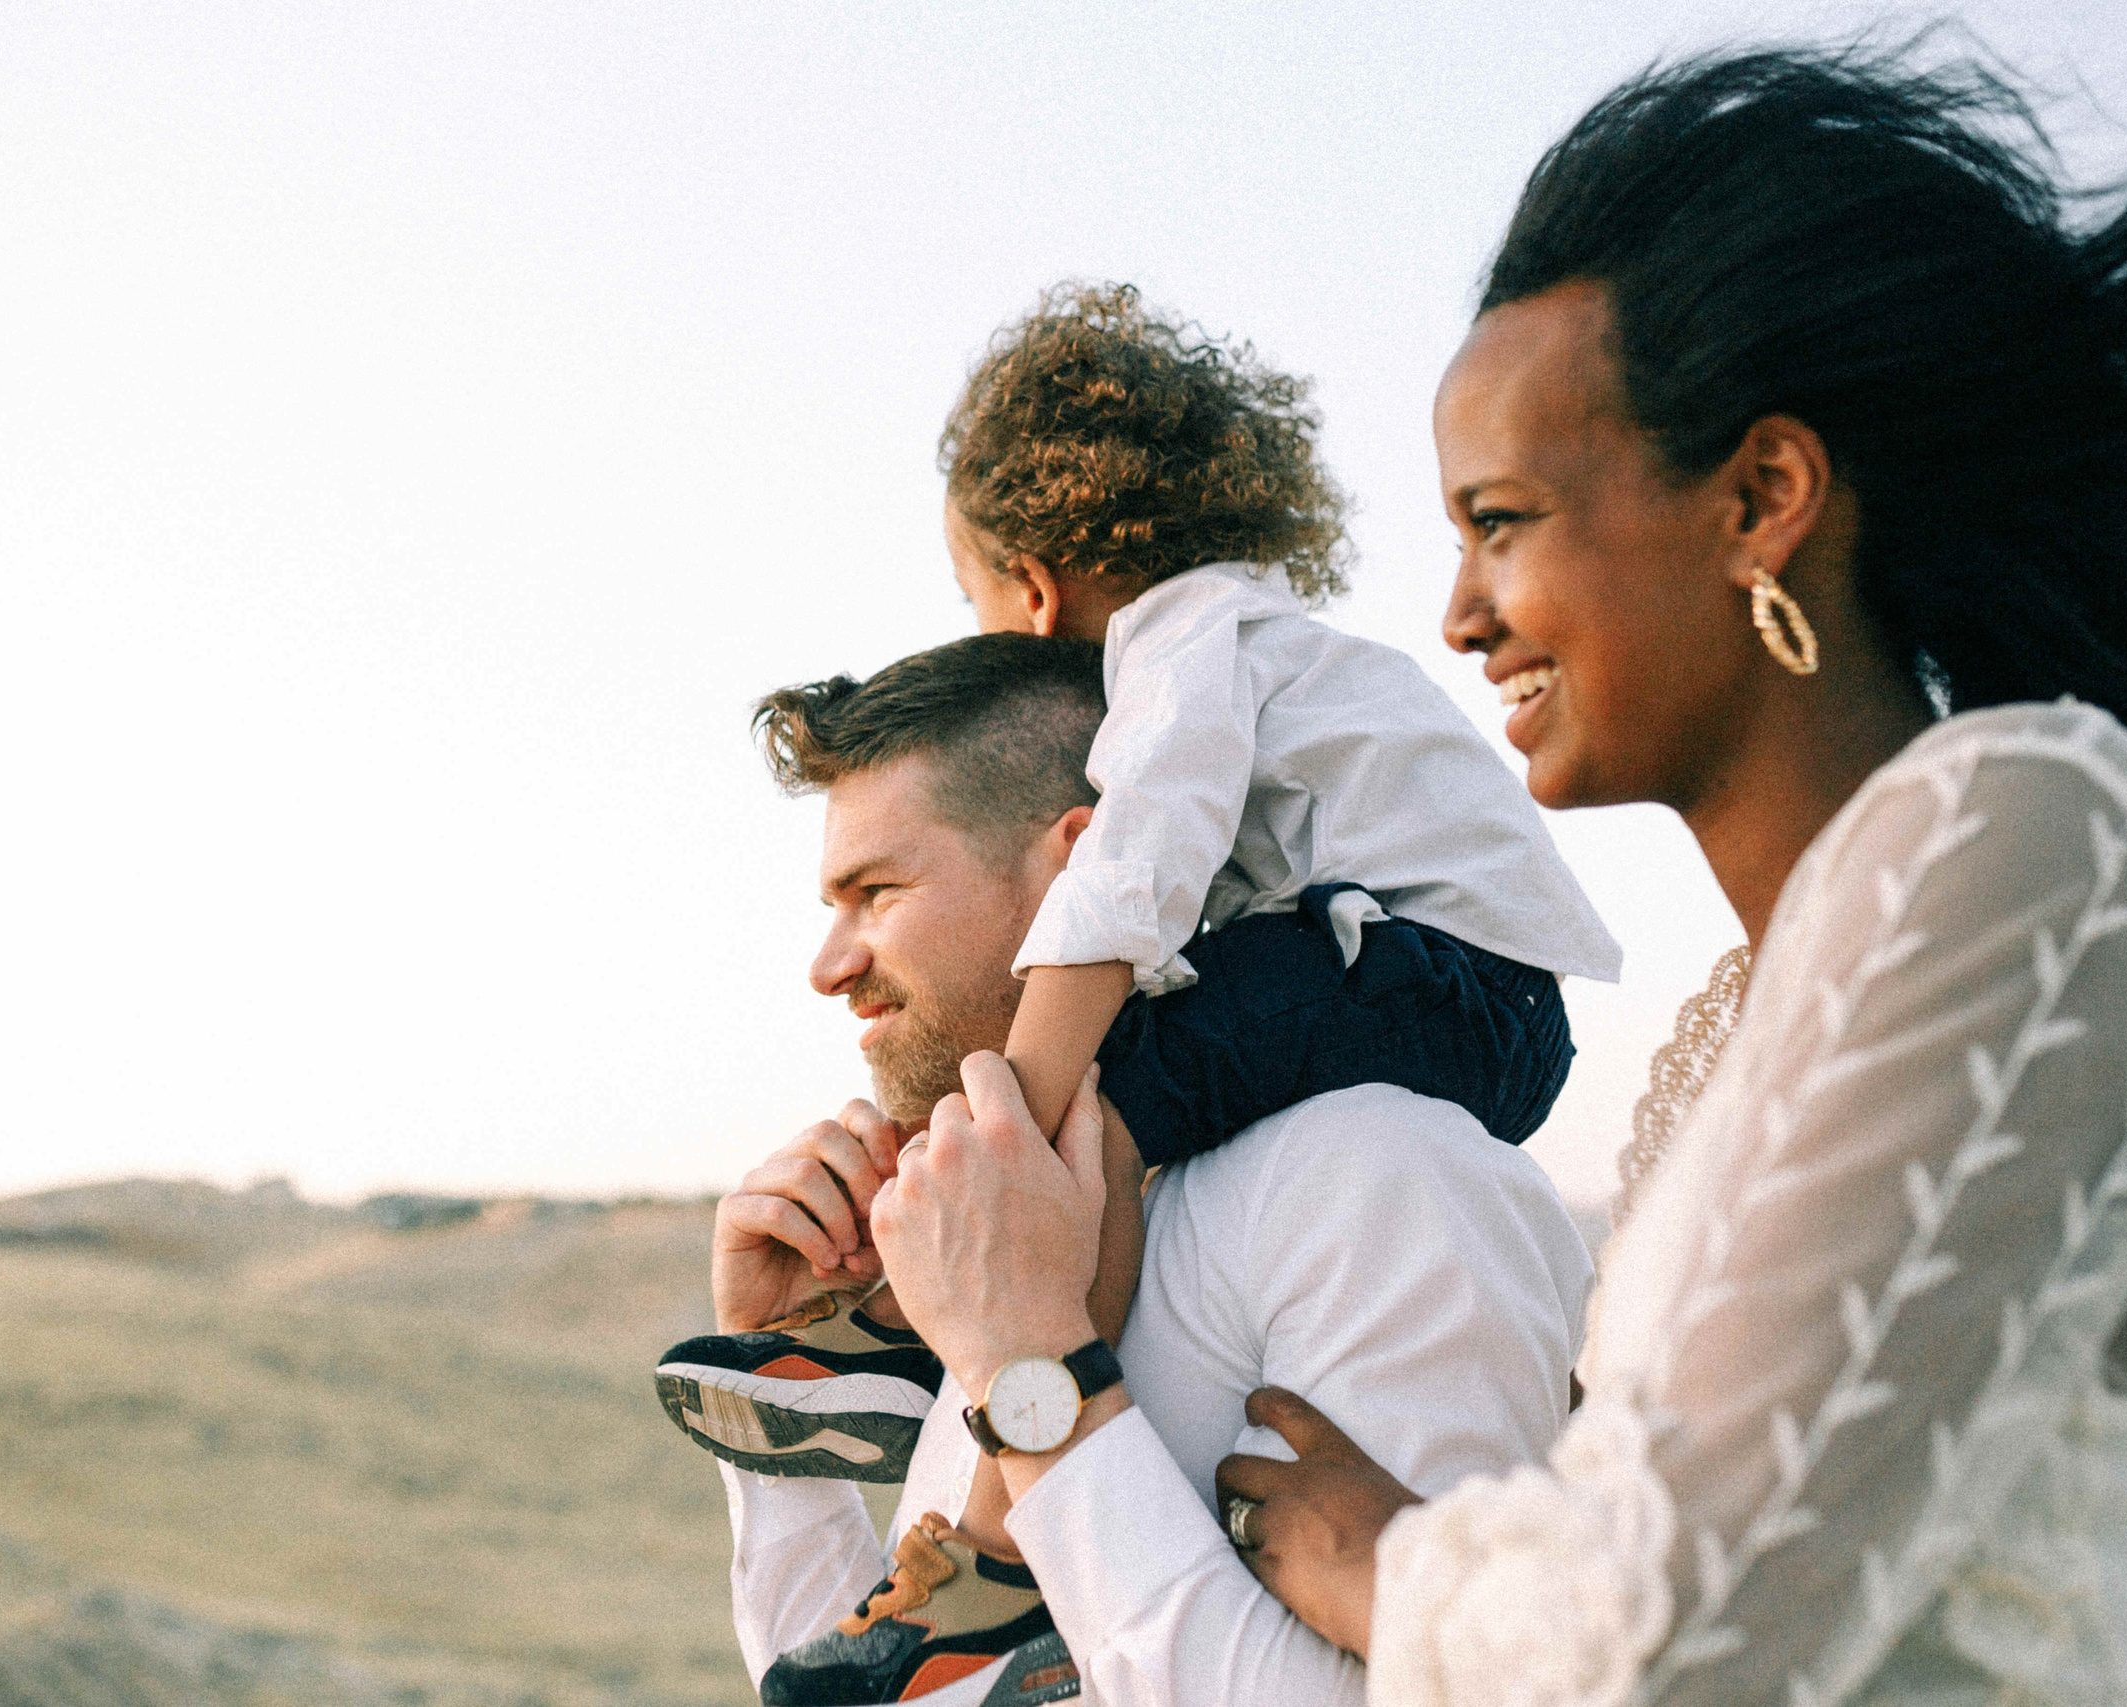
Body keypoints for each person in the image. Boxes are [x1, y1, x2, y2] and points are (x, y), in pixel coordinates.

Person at [871, 44, 2127, 1707]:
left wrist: (1370, 1552)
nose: (1457, 616)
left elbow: (1662, 1644)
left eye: (1502, 523)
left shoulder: (2028, 834)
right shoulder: (1749, 1023)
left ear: (1763, 499)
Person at [657, 284, 1620, 1601]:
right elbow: (841, 1690)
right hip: (1435, 981)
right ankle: (938, 1412)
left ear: (1037, 592)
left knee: (1097, 1109)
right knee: (1105, 1114)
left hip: (1448, 982)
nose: (831, 960)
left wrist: (1007, 1124)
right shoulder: (1254, 642)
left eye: (875, 889)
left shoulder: (1189, 647)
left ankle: (992, 1506)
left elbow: (1131, 873)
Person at [687, 634, 1595, 1703]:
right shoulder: (1006, 1231)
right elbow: (893, 1693)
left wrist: (1038, 1377)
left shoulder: (1384, 1174)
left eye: (875, 893)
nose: (828, 966)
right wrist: (777, 1380)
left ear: (1078, 867)